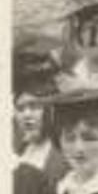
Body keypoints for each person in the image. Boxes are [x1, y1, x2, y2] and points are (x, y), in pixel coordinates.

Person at [12, 49, 67, 186]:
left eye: (34, 106)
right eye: (20, 108)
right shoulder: (19, 151)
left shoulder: (61, 159)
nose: (27, 115)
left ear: (50, 110)